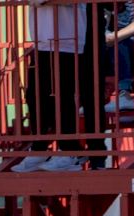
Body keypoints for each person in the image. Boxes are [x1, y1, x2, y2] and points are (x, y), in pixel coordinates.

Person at [13, 0, 94, 173]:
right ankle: (40, 149)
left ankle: (70, 152)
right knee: (35, 96)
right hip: (42, 40)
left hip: (68, 41)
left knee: (62, 96)